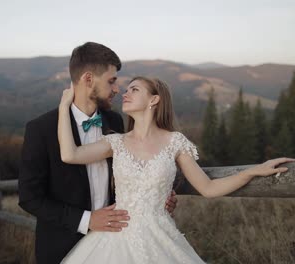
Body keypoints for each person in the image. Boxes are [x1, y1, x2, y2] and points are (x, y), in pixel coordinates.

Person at [57, 76, 295, 263]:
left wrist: (252, 171)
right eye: (127, 89)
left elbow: (208, 188)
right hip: (114, 239)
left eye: (134, 89)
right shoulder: (115, 142)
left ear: (154, 100)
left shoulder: (175, 142)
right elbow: (70, 154)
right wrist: (64, 106)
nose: (125, 93)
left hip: (160, 238)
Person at [18, 42, 178, 264]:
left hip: (118, 244)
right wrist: (87, 220)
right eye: (111, 81)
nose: (116, 89)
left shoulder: (114, 121)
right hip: (61, 246)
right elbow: (30, 198)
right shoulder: (40, 129)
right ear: (88, 79)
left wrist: (156, 199)